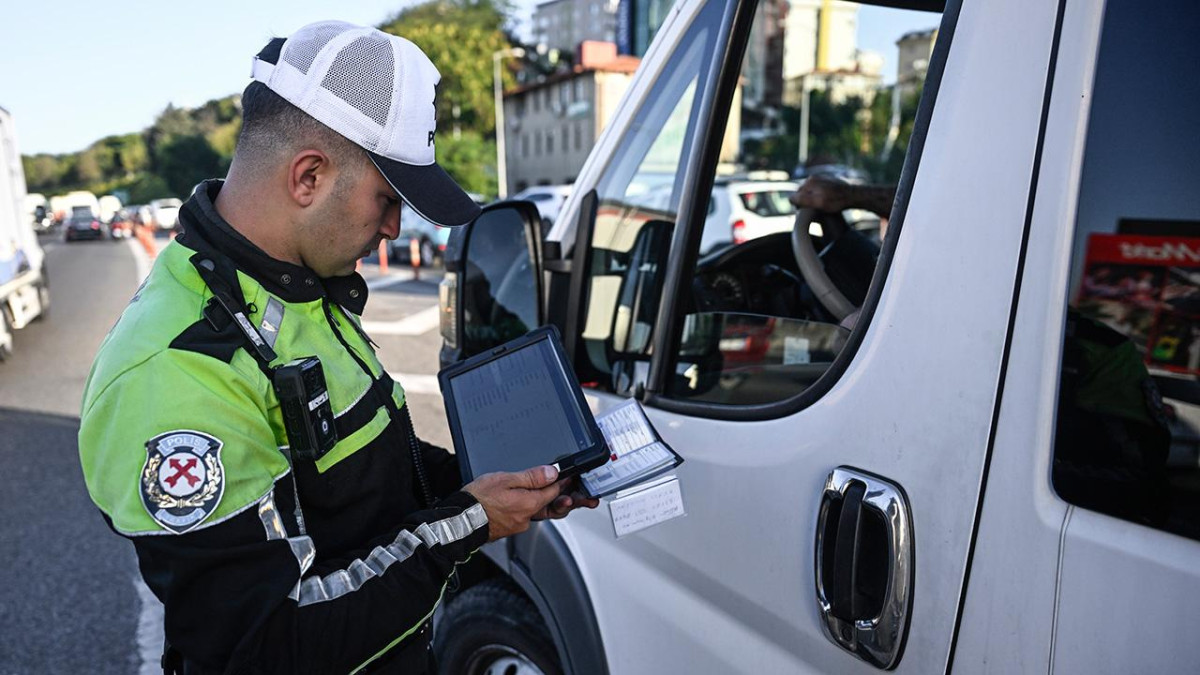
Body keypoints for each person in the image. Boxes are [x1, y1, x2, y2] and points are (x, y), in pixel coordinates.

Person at [78, 21, 597, 674]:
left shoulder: (295, 281)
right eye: (387, 198)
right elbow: (264, 647)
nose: (393, 227)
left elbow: (364, 477)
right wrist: (467, 522)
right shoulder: (174, 372)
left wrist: (495, 476)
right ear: (308, 176)